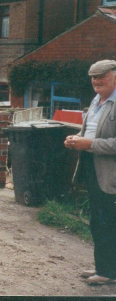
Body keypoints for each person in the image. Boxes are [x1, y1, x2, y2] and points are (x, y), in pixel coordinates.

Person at [64, 59, 116, 285]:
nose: (96, 80)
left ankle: (108, 273)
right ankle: (104, 266)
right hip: (92, 167)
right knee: (98, 220)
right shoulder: (96, 101)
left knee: (106, 221)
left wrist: (90, 144)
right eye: (93, 77)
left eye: (101, 76)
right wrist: (76, 138)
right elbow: (91, 130)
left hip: (110, 174)